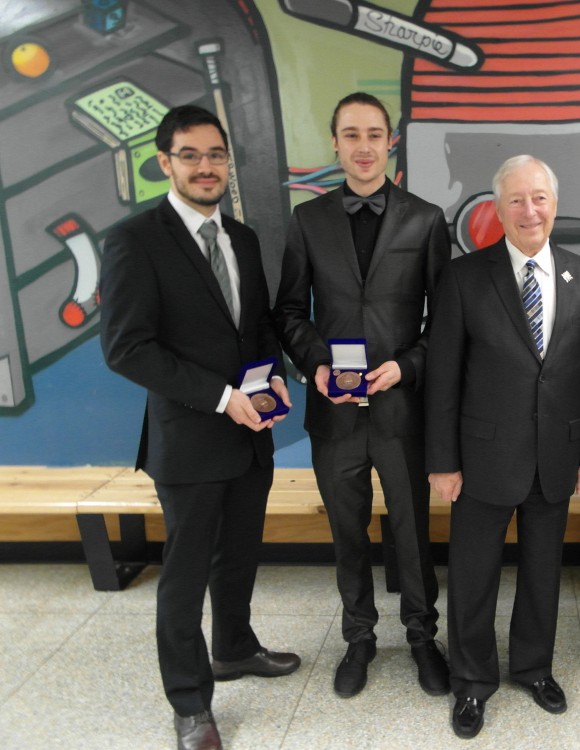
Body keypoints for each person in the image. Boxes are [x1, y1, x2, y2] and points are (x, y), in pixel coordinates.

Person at [100, 105, 300, 750]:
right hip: (188, 440)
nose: (206, 166)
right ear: (166, 162)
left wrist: (272, 377)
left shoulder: (241, 237)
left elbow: (258, 326)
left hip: (251, 434)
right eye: (191, 155)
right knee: (185, 578)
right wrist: (220, 397)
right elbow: (127, 348)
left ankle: (235, 648)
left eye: (216, 154)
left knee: (238, 554)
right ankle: (190, 703)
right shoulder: (134, 239)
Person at [425, 154, 580, 739]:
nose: (529, 210)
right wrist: (442, 463)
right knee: (474, 575)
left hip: (557, 454)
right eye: (516, 200)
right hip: (480, 458)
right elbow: (443, 379)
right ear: (497, 208)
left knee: (541, 572)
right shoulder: (463, 277)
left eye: (539, 198)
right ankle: (471, 682)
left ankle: (533, 668)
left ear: (554, 205)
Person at [272, 92, 451, 699]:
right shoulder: (308, 220)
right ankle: (359, 638)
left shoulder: (426, 219)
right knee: (347, 530)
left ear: (390, 141)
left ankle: (423, 637)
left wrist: (406, 367)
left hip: (403, 410)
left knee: (410, 529)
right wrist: (316, 364)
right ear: (336, 143)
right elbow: (291, 311)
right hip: (334, 411)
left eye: (374, 133)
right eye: (351, 134)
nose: (364, 146)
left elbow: (443, 323)